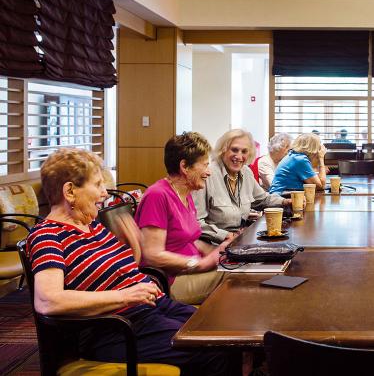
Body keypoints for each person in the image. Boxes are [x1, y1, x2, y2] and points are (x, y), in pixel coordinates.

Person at [26, 148, 227, 373]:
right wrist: (124, 295)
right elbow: (48, 301)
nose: (104, 193)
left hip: (151, 308)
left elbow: (110, 274)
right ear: (70, 191)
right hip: (114, 329)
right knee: (214, 348)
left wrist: (133, 250)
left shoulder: (91, 226)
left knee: (224, 331)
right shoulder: (48, 236)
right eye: (98, 185)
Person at [136, 132, 231, 305]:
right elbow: (152, 255)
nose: (208, 172)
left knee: (243, 268)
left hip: (189, 273)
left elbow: (190, 240)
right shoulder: (157, 195)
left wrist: (220, 251)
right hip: (171, 281)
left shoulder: (185, 194)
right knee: (239, 278)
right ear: (184, 167)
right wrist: (199, 263)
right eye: (204, 165)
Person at [194, 129, 292, 245]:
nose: (239, 156)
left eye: (244, 151)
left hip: (242, 241)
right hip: (215, 246)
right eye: (234, 150)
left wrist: (286, 201)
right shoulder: (207, 175)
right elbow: (195, 222)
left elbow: (262, 200)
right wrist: (224, 235)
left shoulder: (246, 172)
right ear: (223, 150)